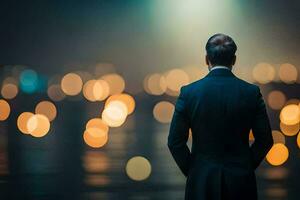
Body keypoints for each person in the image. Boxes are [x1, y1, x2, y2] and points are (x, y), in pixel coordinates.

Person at [167, 33, 273, 200]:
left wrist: (195, 171)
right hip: (241, 185)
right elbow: (265, 140)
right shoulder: (251, 93)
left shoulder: (189, 93)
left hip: (201, 184)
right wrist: (244, 166)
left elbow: (175, 142)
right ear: (234, 60)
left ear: (206, 59)